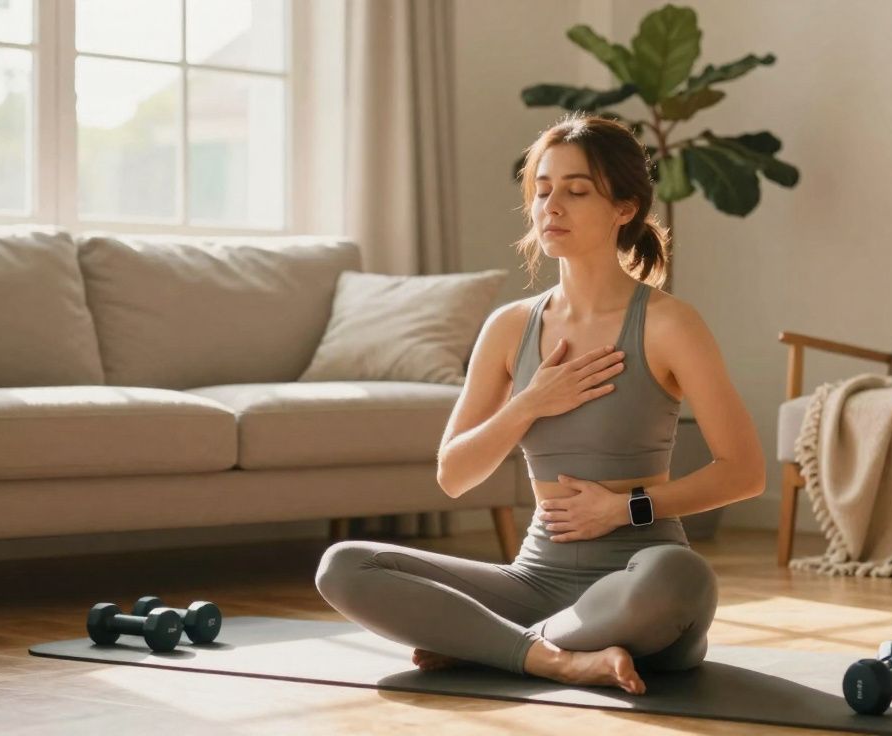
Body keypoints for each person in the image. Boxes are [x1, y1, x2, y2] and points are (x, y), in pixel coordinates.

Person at [315, 112, 765, 695]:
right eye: (543, 189)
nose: (551, 206)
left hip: (638, 577)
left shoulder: (667, 324)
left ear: (624, 209)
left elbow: (746, 472)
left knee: (682, 578)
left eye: (576, 192)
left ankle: (493, 644)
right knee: (344, 566)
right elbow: (454, 474)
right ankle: (552, 657)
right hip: (532, 579)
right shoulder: (509, 328)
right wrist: (528, 403)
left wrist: (627, 509)